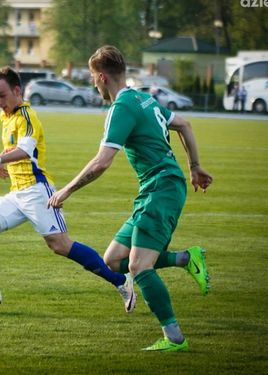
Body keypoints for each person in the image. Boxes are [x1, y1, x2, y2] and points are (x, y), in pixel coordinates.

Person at [48, 46, 213, 352]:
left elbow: (102, 162)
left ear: (101, 77)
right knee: (113, 261)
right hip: (156, 188)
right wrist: (194, 166)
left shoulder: (121, 107)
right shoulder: (143, 98)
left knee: (138, 266)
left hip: (161, 189)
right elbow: (184, 125)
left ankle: (174, 338)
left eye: (93, 78)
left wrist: (66, 190)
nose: (94, 84)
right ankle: (185, 259)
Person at [0, 66, 136, 313]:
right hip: (17, 192)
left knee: (60, 245)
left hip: (37, 192)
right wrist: (2, 161)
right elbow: (14, 146)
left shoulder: (28, 116)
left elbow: (26, 150)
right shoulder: (6, 116)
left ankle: (120, 281)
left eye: (2, 95)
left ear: (17, 91)